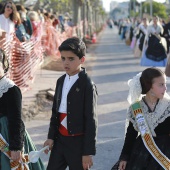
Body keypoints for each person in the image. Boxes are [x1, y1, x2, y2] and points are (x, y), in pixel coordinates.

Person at [43, 37, 98, 170]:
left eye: (71, 59)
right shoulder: (61, 81)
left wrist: (87, 152)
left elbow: (91, 120)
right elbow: (55, 112)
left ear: (82, 59)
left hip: (77, 143)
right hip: (60, 140)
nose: (66, 63)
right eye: (63, 58)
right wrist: (51, 137)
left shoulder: (87, 84)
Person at [112, 67, 170, 170]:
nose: (165, 88)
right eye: (161, 85)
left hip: (165, 152)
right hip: (141, 151)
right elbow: (130, 135)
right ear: (149, 87)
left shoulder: (168, 106)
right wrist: (124, 157)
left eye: (165, 84)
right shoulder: (136, 108)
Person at [0, 49, 45, 170]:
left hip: (7, 137)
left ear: (4, 65)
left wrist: (16, 147)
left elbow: (16, 120)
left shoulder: (10, 89)